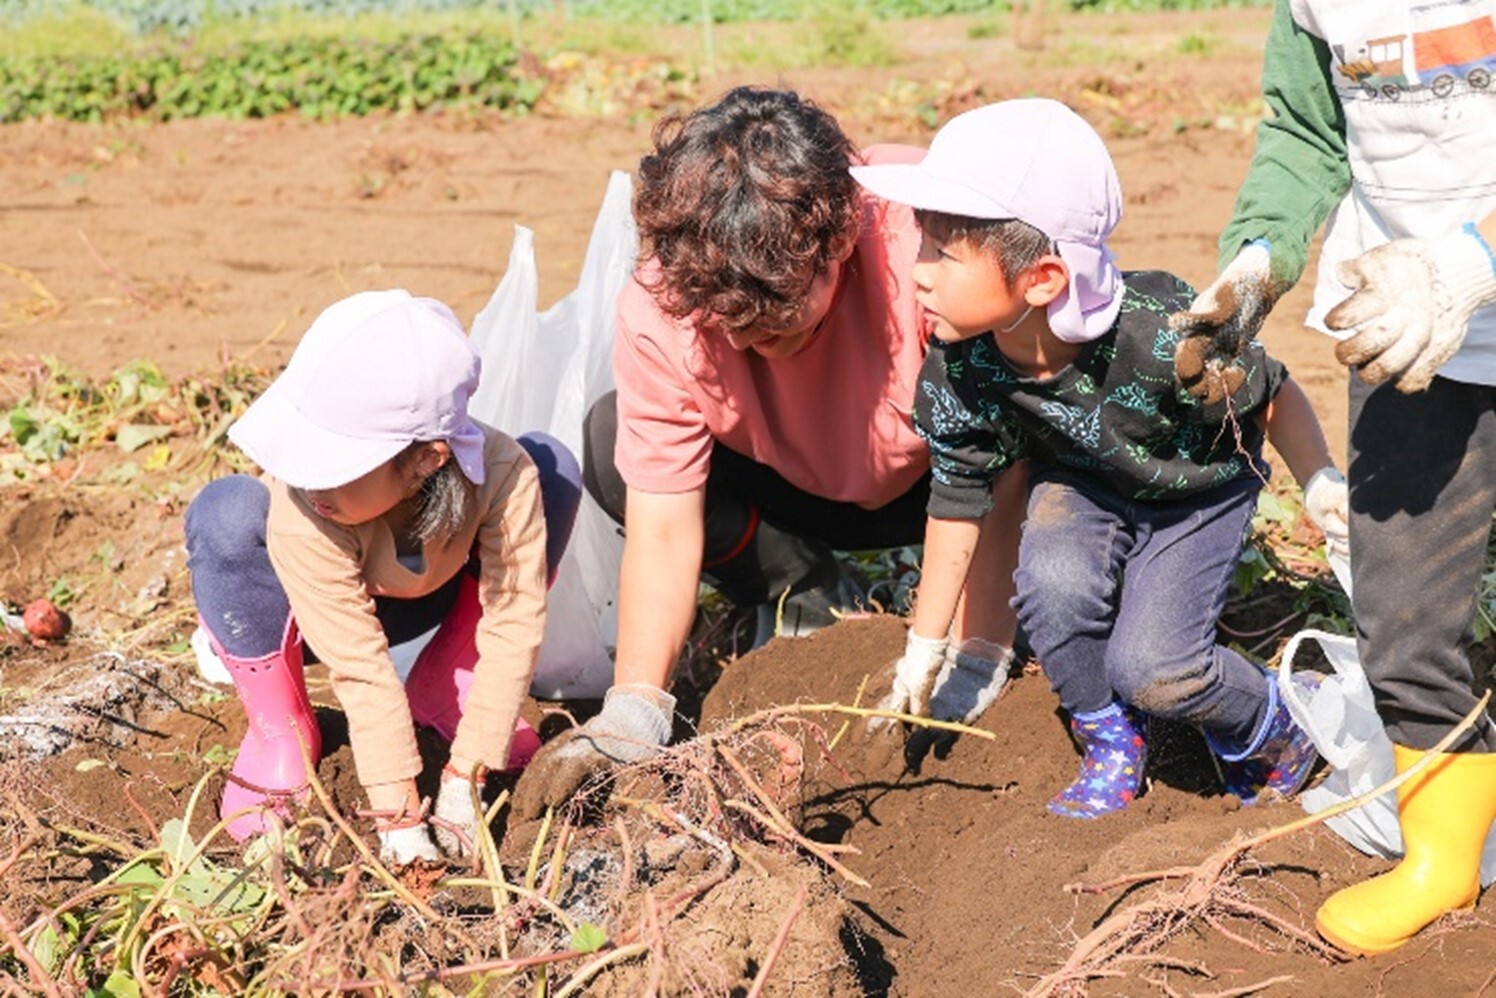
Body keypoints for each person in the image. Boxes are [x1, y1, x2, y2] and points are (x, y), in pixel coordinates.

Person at [510, 86, 1027, 820]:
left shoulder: (927, 238)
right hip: (789, 484)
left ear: (842, 235)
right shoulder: (662, 304)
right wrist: (635, 710)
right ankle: (803, 586)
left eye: (781, 327)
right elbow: (662, 524)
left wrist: (974, 647)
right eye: (731, 330)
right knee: (606, 437)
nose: (752, 346)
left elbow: (1005, 466)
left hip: (945, 484)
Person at [851, 98, 1349, 819]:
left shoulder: (1162, 335)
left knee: (1154, 669)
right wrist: (926, 644)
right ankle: (1108, 732)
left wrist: (1320, 480)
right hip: (1087, 485)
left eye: (941, 253)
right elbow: (958, 496)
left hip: (1195, 494)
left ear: (1043, 279)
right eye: (920, 245)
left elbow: (1271, 395)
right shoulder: (961, 361)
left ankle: (1273, 720)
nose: (916, 273)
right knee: (1050, 586)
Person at [1168, 0, 1496, 956]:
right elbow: (1308, 129)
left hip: (1449, 290)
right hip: (1400, 334)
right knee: (1405, 619)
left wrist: (1468, 267)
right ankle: (1440, 866)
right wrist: (1259, 261)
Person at [185, 289, 582, 864]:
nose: (309, 480)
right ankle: (281, 729)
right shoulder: (305, 506)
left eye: (336, 465)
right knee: (227, 512)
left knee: (553, 467)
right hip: (298, 614)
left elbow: (513, 621)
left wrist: (465, 778)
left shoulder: (500, 475)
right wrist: (399, 819)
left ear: (429, 458)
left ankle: (448, 680)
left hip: (422, 596)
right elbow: (359, 668)